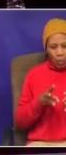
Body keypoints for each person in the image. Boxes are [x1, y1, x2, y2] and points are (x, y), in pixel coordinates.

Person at [15, 18, 66, 146]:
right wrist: (39, 103)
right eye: (53, 47)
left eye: (65, 46)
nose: (60, 52)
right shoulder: (34, 75)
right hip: (40, 143)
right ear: (46, 49)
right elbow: (20, 123)